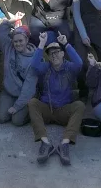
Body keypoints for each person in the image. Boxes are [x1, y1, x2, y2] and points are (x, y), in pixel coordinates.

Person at [28, 32, 85, 166]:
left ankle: (64, 144)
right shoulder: (46, 67)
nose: (54, 55)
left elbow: (79, 63)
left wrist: (66, 44)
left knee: (80, 106)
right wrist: (41, 44)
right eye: (51, 53)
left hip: (63, 110)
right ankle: (45, 143)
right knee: (32, 103)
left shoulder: (69, 67)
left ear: (62, 54)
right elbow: (34, 66)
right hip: (47, 109)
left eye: (57, 52)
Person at [0, 21, 37, 126]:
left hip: (24, 93)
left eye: (20, 41)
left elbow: (29, 88)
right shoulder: (8, 47)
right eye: (15, 41)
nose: (17, 44)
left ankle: (32, 107)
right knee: (1, 118)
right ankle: (7, 103)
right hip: (8, 92)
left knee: (17, 121)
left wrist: (16, 107)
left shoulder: (34, 60)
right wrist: (11, 21)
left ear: (27, 40)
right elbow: (0, 33)